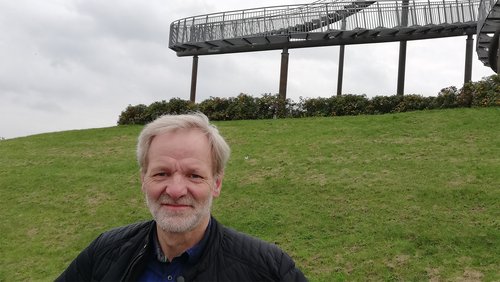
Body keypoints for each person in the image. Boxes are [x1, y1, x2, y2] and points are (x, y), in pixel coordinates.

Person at [56, 112, 307, 282]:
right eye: (162, 173)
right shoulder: (105, 252)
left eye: (194, 175)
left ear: (216, 184)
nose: (176, 190)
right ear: (143, 180)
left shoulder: (267, 269)